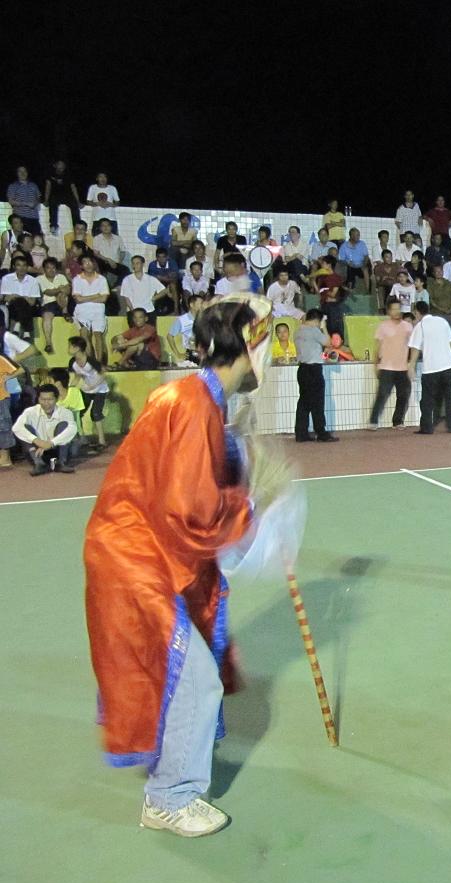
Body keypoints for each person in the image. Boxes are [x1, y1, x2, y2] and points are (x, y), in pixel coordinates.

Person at [84, 295, 289, 838]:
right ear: (248, 347)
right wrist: (253, 502)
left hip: (139, 549)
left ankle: (170, 780)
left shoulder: (197, 398)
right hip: (136, 556)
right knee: (195, 677)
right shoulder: (193, 403)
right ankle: (170, 797)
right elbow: (192, 507)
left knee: (182, 670)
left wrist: (237, 458)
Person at [408, 300, 451, 435]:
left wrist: (411, 366)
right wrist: (448, 356)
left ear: (417, 312)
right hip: (448, 366)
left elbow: (415, 348)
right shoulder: (442, 321)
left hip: (431, 369)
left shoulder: (420, 326)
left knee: (427, 400)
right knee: (448, 398)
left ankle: (427, 427)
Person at [368, 299, 414, 429]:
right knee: (382, 395)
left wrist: (411, 365)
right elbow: (377, 347)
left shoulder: (408, 326)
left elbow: (413, 347)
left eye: (398, 308)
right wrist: (375, 365)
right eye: (394, 309)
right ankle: (373, 421)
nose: (397, 311)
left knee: (403, 395)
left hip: (403, 367)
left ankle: (398, 421)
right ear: (388, 311)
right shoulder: (383, 326)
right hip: (386, 367)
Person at [13, 383, 78, 474]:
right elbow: (16, 428)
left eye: (50, 399)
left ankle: (61, 463)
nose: (46, 403)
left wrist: (51, 443)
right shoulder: (30, 412)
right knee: (24, 427)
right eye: (43, 399)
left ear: (57, 399)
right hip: (38, 451)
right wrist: (37, 441)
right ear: (38, 399)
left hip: (58, 449)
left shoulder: (65, 412)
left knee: (65, 426)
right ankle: (39, 464)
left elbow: (72, 429)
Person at [295, 309, 337, 443]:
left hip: (302, 369)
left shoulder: (298, 331)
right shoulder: (314, 331)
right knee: (318, 402)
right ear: (317, 320)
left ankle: (301, 433)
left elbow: (313, 350)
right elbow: (328, 342)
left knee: (304, 402)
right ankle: (321, 432)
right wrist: (324, 328)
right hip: (314, 370)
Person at [68, 336, 109, 452]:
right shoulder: (72, 362)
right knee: (78, 412)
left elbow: (103, 374)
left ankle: (102, 441)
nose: (68, 348)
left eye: (70, 346)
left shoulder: (91, 361)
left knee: (95, 413)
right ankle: (82, 438)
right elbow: (77, 376)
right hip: (86, 390)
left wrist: (93, 386)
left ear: (77, 348)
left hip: (100, 390)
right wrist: (70, 388)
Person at [72, 256, 111, 364]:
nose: (88, 264)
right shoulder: (77, 279)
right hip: (82, 311)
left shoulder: (102, 279)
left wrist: (85, 298)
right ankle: (91, 362)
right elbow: (78, 299)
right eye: (85, 262)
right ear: (81, 266)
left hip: (98, 311)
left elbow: (104, 298)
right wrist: (96, 295)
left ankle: (99, 363)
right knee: (84, 335)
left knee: (98, 335)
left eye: (90, 262)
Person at [36, 256, 71, 353]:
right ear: (44, 269)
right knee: (47, 317)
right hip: (47, 304)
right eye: (48, 268)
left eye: (53, 267)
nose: (51, 270)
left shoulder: (61, 277)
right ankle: (48, 344)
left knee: (62, 294)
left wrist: (60, 290)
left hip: (62, 303)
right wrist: (60, 289)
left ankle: (65, 312)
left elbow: (68, 290)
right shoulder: (39, 279)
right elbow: (48, 292)